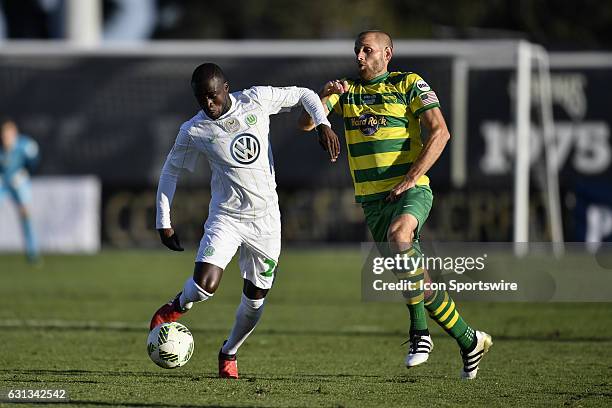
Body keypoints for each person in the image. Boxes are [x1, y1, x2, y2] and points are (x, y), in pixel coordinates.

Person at [298, 30, 492, 379]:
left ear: (387, 54)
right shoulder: (346, 90)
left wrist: (411, 178)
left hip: (410, 190)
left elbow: (441, 132)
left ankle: (420, 336)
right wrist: (323, 96)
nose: (359, 57)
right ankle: (469, 340)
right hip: (372, 201)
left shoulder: (409, 84)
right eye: (357, 50)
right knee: (417, 282)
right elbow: (307, 123)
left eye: (367, 51)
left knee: (400, 237)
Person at [149, 63, 340, 379]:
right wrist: (163, 220)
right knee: (203, 287)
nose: (209, 105)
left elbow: (305, 94)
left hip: (265, 222)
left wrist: (322, 124)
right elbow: (171, 172)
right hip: (227, 218)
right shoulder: (193, 130)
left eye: (213, 97)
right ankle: (176, 306)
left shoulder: (256, 99)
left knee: (254, 303)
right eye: (202, 100)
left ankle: (229, 352)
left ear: (226, 87)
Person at [0, 118, 40, 263]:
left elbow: (34, 163)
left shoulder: (25, 146)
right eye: (3, 134)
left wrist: (25, 173)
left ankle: (32, 252)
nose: (5, 137)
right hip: (3, 182)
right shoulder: (2, 149)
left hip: (19, 182)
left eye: (8, 134)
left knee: (25, 214)